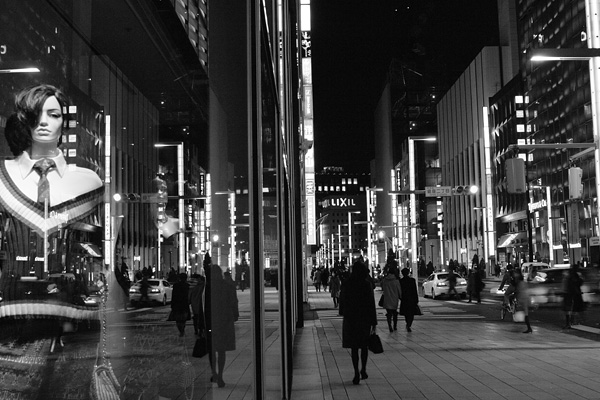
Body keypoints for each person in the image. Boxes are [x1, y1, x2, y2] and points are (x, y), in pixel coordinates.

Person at [0, 84, 104, 398]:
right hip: (12, 330)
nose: (44, 121)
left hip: (76, 332)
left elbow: (98, 254)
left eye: (54, 114)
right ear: (23, 120)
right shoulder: (2, 179)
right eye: (36, 114)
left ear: (63, 122)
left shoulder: (88, 182)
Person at [339, 260, 377, 385]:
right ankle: (363, 369)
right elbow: (371, 303)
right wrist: (374, 321)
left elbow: (342, 300)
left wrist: (344, 312)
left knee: (354, 347)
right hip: (364, 318)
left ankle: (355, 371)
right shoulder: (366, 284)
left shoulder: (347, 283)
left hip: (351, 318)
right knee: (364, 346)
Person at [208, 264, 239, 387]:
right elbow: (233, 301)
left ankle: (214, 372)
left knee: (212, 349)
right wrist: (235, 314)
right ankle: (220, 374)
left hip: (212, 320)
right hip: (224, 320)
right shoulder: (227, 286)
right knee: (221, 350)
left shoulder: (209, 287)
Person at [380, 265, 402, 332]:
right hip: (394, 299)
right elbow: (399, 291)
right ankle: (394, 326)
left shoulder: (385, 280)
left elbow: (382, 288)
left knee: (389, 313)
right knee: (394, 313)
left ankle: (389, 325)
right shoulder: (396, 281)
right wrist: (400, 297)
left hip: (387, 299)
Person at [563, 264, 585, 329]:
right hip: (576, 293)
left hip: (569, 293)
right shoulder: (578, 275)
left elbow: (566, 285)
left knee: (568, 308)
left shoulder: (568, 276)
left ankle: (569, 323)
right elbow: (581, 283)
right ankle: (573, 321)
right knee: (575, 308)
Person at [399, 268, 419, 332]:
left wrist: (400, 297)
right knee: (411, 313)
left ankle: (408, 324)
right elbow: (415, 290)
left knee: (406, 313)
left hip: (404, 299)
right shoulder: (412, 280)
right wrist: (416, 299)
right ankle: (409, 324)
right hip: (411, 299)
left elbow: (400, 291)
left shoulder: (401, 281)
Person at [514, 268, 532, 333]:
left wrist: (518, 300)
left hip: (523, 299)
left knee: (525, 313)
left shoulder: (519, 282)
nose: (514, 274)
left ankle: (529, 328)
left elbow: (520, 291)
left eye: (515, 273)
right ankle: (529, 327)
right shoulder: (522, 282)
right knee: (525, 313)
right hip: (525, 298)